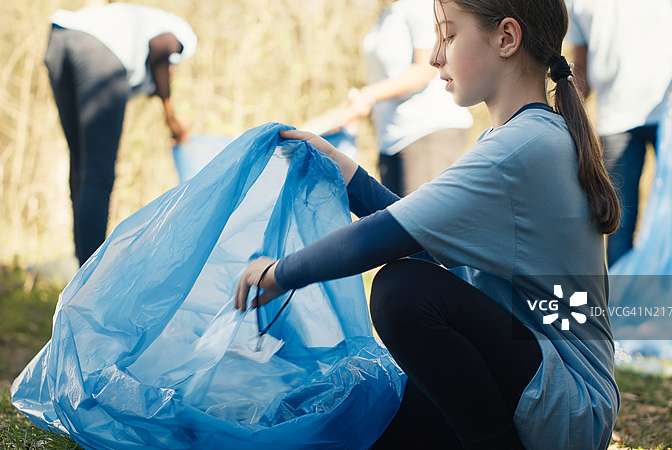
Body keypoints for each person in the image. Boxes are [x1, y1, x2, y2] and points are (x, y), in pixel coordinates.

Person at [235, 0, 621, 448]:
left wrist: (280, 272)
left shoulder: (523, 145)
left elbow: (380, 241)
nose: (436, 56)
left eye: (449, 35)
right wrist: (347, 174)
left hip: (568, 404)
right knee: (367, 429)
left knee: (401, 290)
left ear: (506, 39)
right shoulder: (521, 138)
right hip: (536, 385)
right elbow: (424, 247)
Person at [44, 2, 197, 266]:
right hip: (99, 51)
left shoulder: (127, 26)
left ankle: (82, 267)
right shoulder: (182, 33)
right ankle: (91, 273)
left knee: (81, 166)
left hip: (59, 39)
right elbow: (161, 46)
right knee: (97, 171)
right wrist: (171, 115)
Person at [565, 0, 672, 266]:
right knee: (618, 223)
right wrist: (564, 108)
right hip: (615, 119)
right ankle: (622, 291)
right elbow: (582, 65)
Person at [344, 0, 474, 196]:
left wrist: (369, 96)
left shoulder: (420, 6)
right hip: (390, 139)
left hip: (427, 131)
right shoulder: (386, 13)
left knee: (421, 214)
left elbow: (425, 68)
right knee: (391, 212)